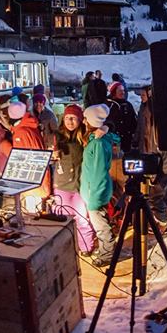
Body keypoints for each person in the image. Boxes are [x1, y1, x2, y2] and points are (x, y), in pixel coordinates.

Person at [81, 104, 120, 266]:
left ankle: (107, 255)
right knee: (102, 223)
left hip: (95, 192)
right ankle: (106, 250)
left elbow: (98, 171)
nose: (83, 121)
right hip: (95, 190)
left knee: (101, 226)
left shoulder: (97, 143)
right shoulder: (98, 139)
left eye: (85, 119)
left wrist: (93, 197)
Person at [136, 86, 167, 224]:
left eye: (143, 95)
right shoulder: (146, 110)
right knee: (165, 194)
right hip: (163, 161)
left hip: (165, 163)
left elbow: (152, 141)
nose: (141, 97)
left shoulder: (155, 115)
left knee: (155, 195)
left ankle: (162, 221)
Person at [52, 104, 94, 253]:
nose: (70, 121)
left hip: (78, 185)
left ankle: (86, 247)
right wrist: (52, 155)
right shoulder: (57, 137)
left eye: (74, 118)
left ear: (80, 120)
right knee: (63, 220)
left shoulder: (84, 137)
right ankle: (66, 249)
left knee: (82, 218)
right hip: (61, 185)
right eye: (68, 118)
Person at [106, 82, 137, 154]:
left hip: (126, 141)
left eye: (123, 90)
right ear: (113, 92)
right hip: (112, 142)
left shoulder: (128, 105)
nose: (123, 93)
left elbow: (134, 122)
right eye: (120, 91)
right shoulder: (107, 105)